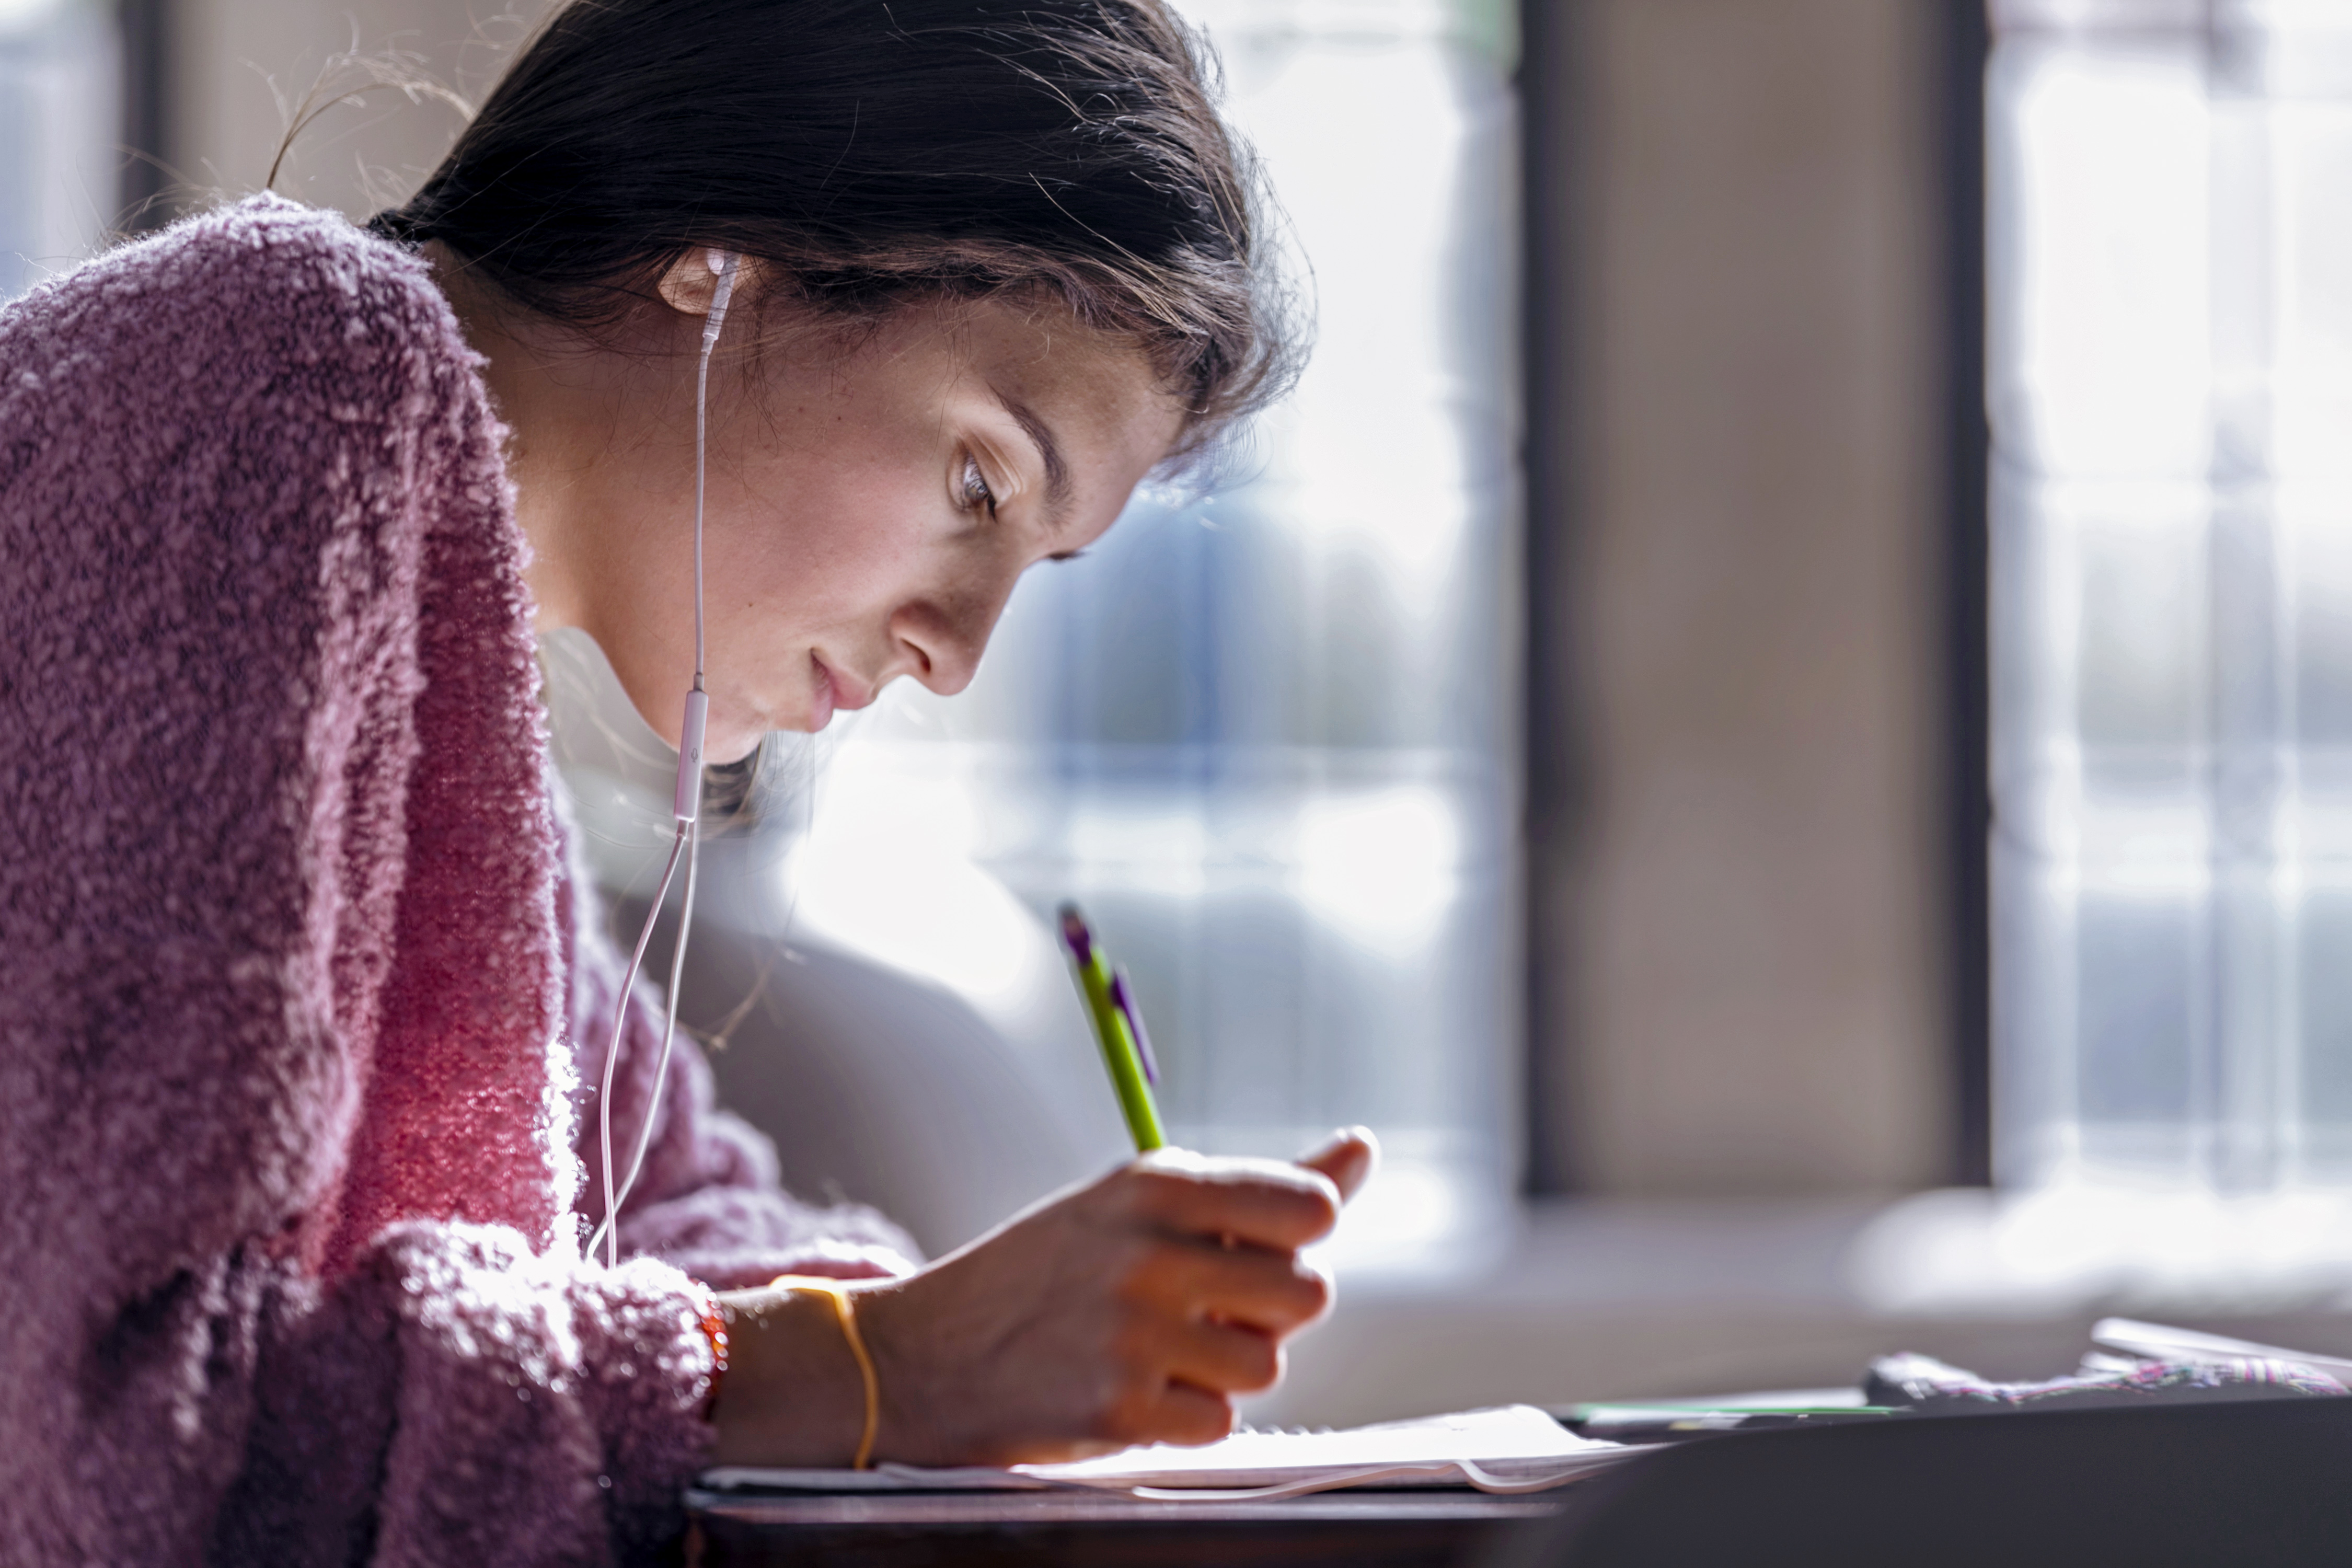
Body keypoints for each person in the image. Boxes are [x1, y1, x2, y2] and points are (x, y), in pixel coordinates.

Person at [0, 2, 1377, 1562]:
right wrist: (890, 1368)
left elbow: (677, 1221)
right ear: (719, 262)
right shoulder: (270, 370)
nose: (957, 655)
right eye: (978, 481)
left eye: (1032, 567)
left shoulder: (440, 648)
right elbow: (120, 1432)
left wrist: (1001, 1351)